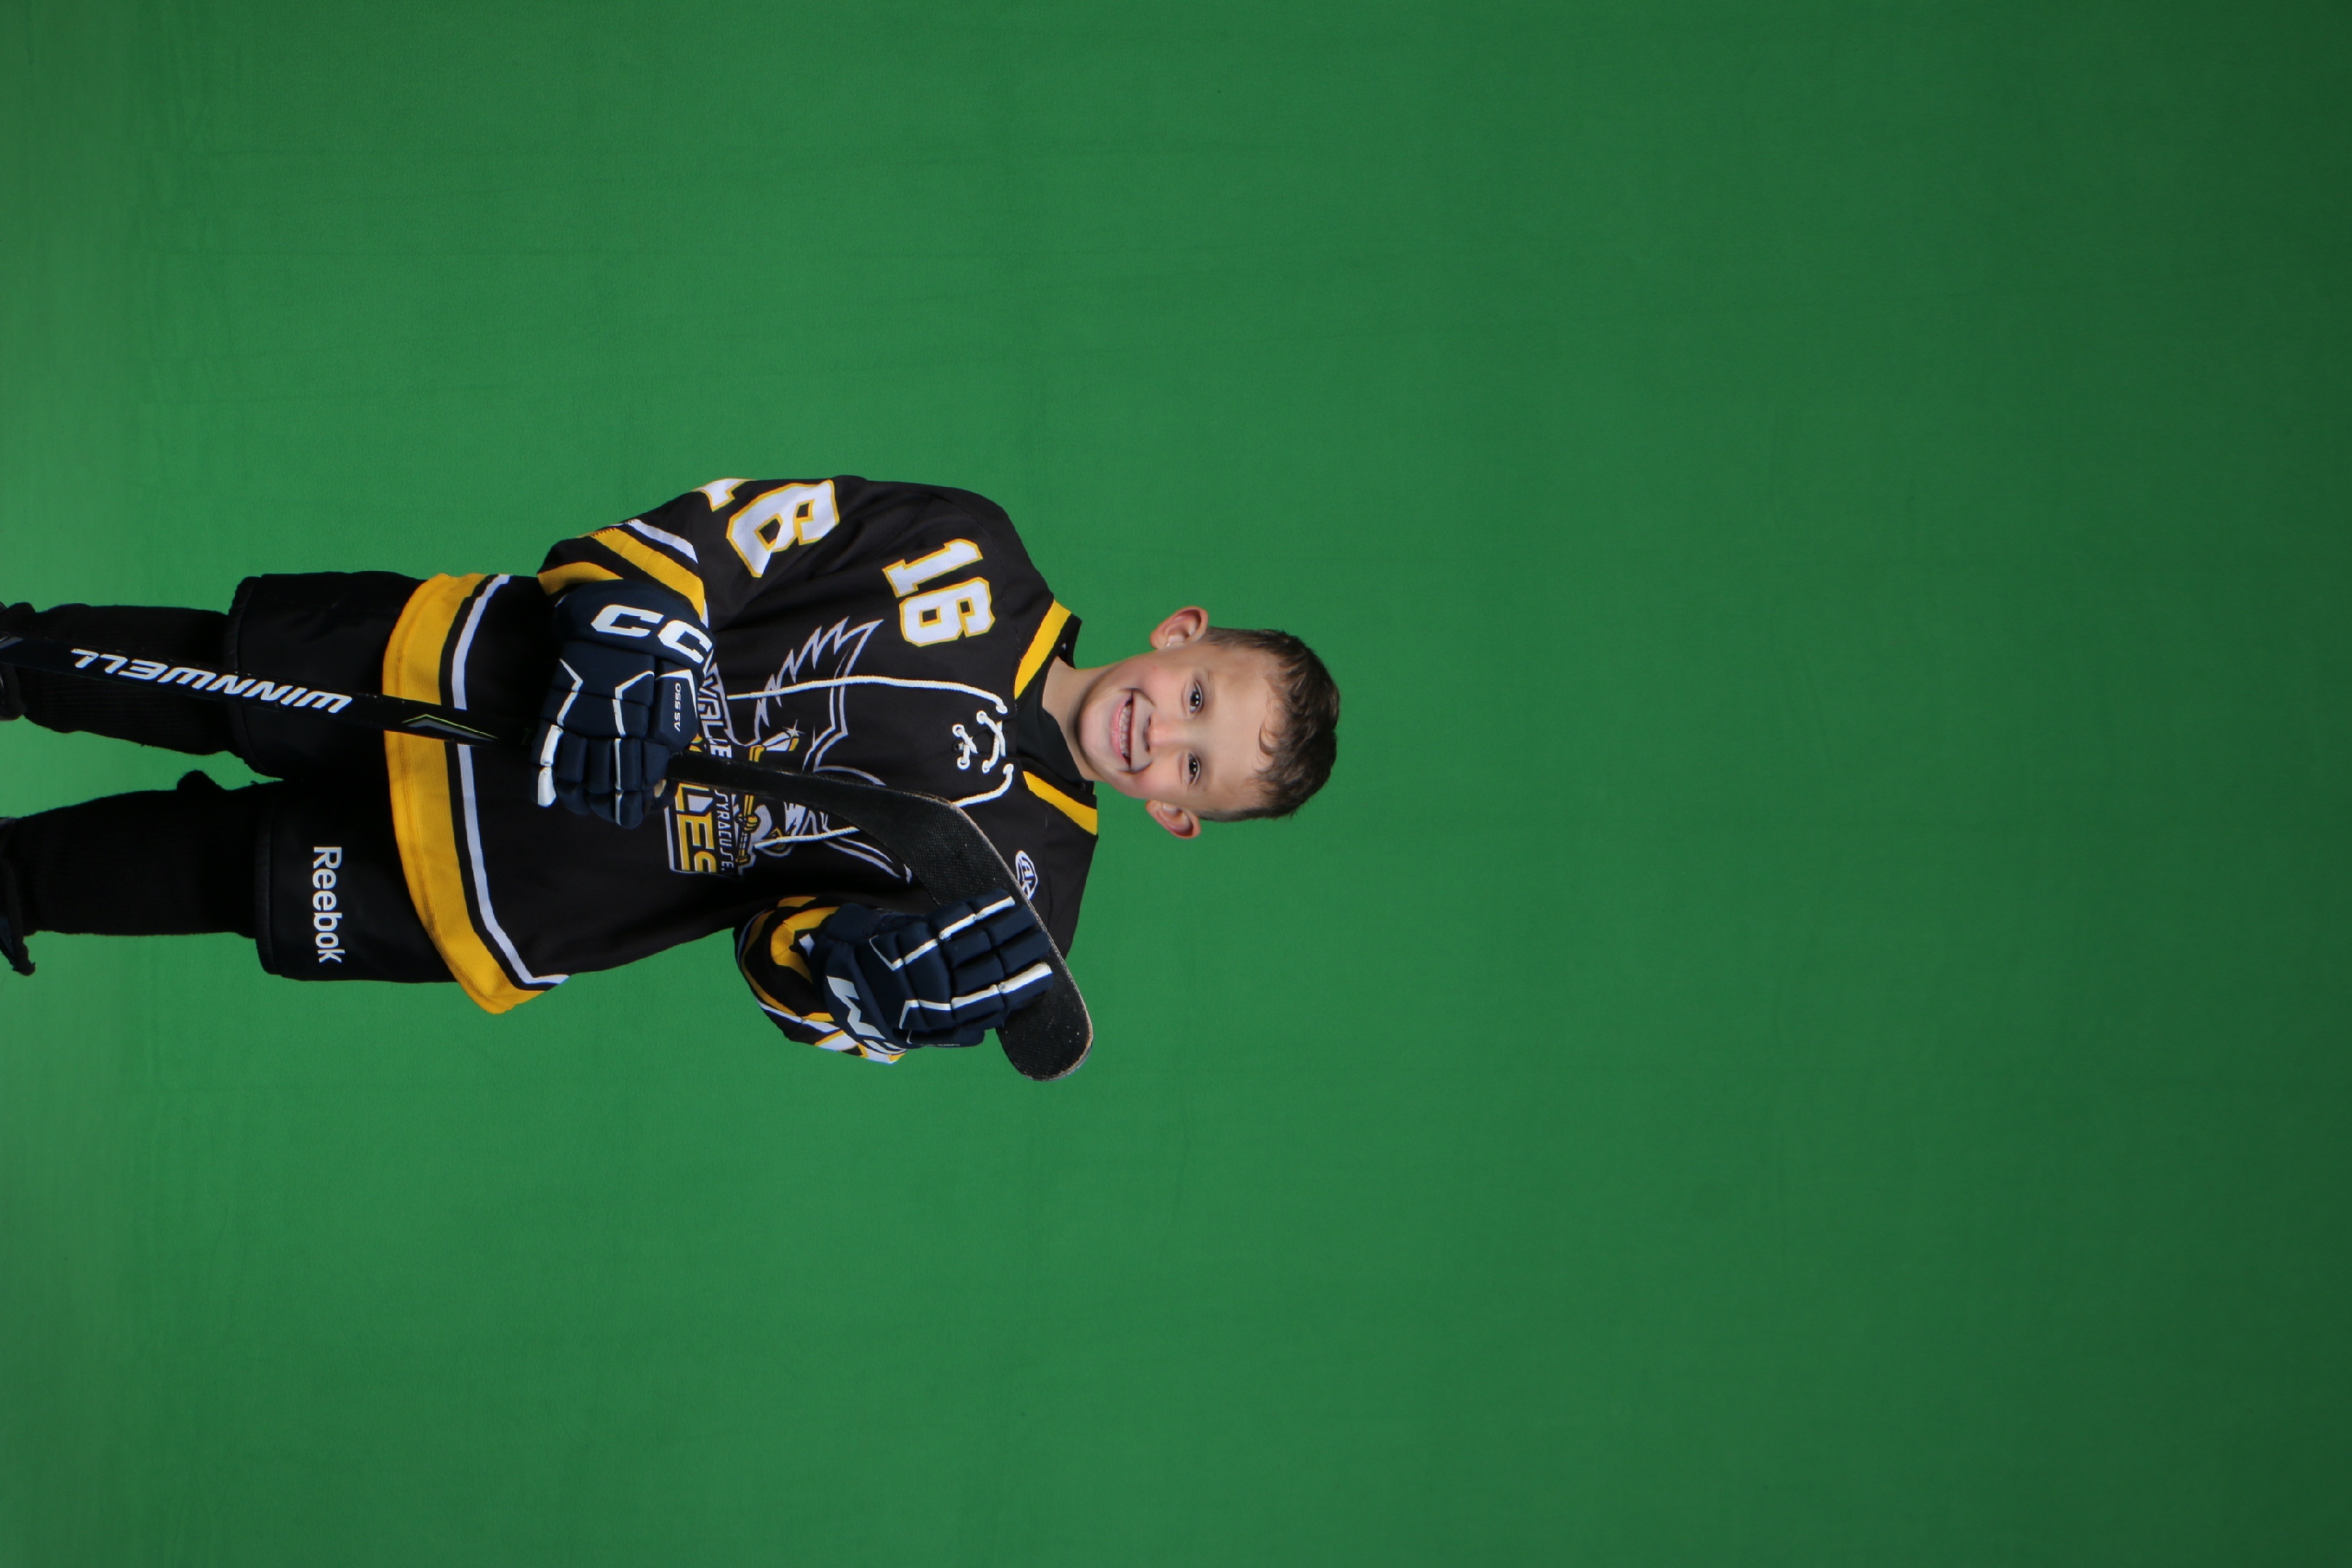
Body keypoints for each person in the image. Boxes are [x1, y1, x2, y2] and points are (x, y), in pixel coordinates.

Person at [0, 476, 1340, 1064]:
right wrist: (639, 615)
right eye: (1197, 698)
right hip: (477, 672)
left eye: (1195, 768)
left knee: (225, 874)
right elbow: (735, 535)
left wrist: (860, 983)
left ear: (1177, 816)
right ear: (1181, 633)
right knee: (212, 676)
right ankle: (13, 660)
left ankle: (12, 881)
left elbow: (781, 961)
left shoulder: (1026, 899)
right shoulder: (968, 552)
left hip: (523, 884)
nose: (1162, 734)